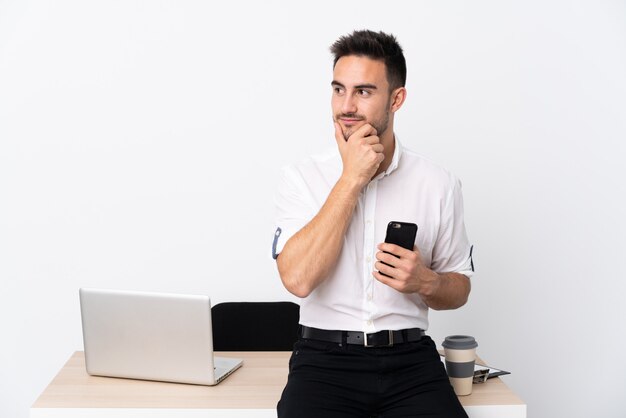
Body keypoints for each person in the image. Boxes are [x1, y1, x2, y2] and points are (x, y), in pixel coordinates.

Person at [272, 29, 475, 418]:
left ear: (396, 99)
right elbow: (297, 279)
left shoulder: (438, 183)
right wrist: (351, 178)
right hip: (323, 363)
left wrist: (427, 282)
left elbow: (460, 287)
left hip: (411, 362)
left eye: (363, 92)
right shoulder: (300, 177)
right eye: (338, 89)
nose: (346, 105)